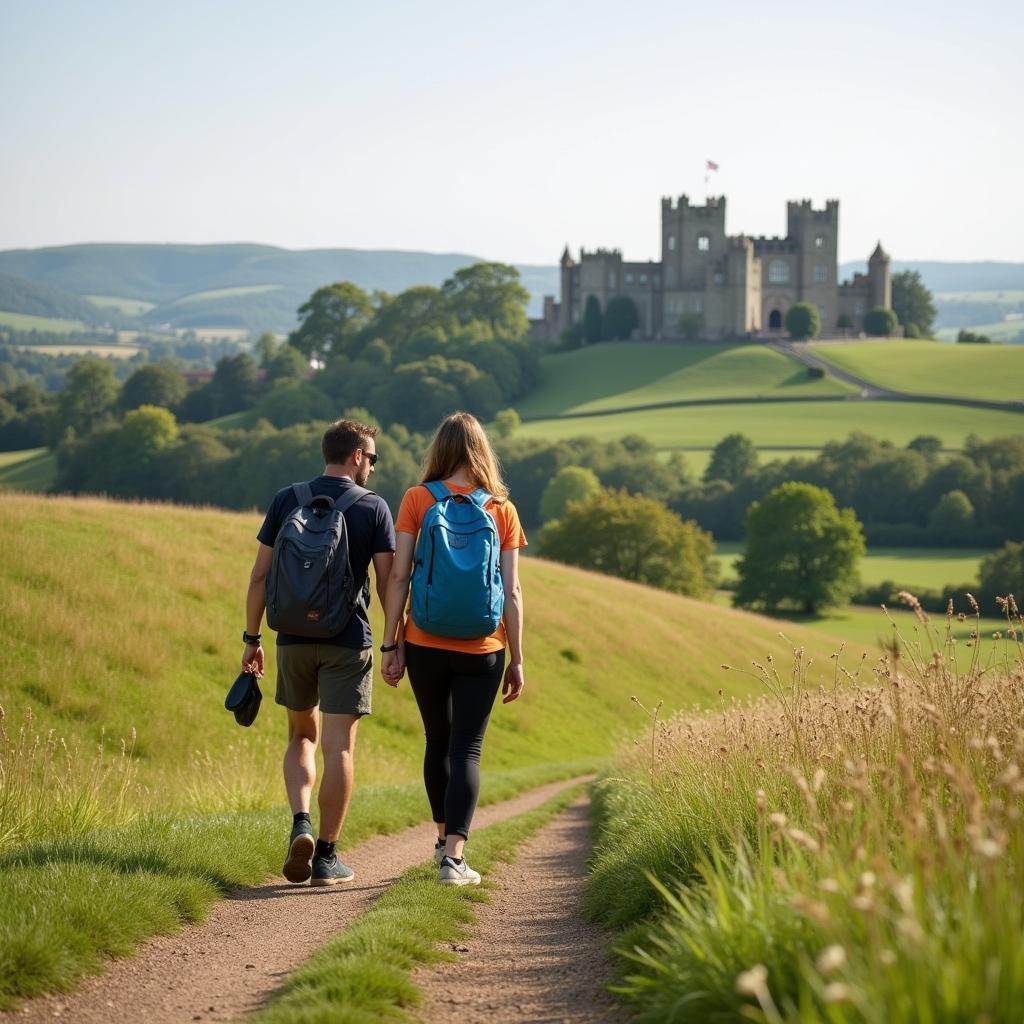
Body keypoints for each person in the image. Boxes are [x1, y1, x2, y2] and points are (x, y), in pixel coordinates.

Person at [241, 419, 396, 886]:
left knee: (300, 736)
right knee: (340, 747)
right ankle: (326, 858)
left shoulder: (287, 499)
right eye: (371, 457)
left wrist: (252, 640)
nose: (372, 465)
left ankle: (300, 823)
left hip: (290, 638)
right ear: (356, 457)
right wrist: (394, 643)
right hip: (348, 640)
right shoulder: (373, 507)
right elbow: (389, 582)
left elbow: (259, 577)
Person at [380, 411, 526, 886]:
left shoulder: (418, 499)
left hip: (424, 641)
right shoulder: (500, 508)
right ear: (483, 451)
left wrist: (391, 643)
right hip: (483, 647)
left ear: (438, 450)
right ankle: (454, 859)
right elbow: (513, 590)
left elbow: (399, 575)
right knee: (468, 748)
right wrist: (518, 658)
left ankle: (443, 841)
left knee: (437, 742)